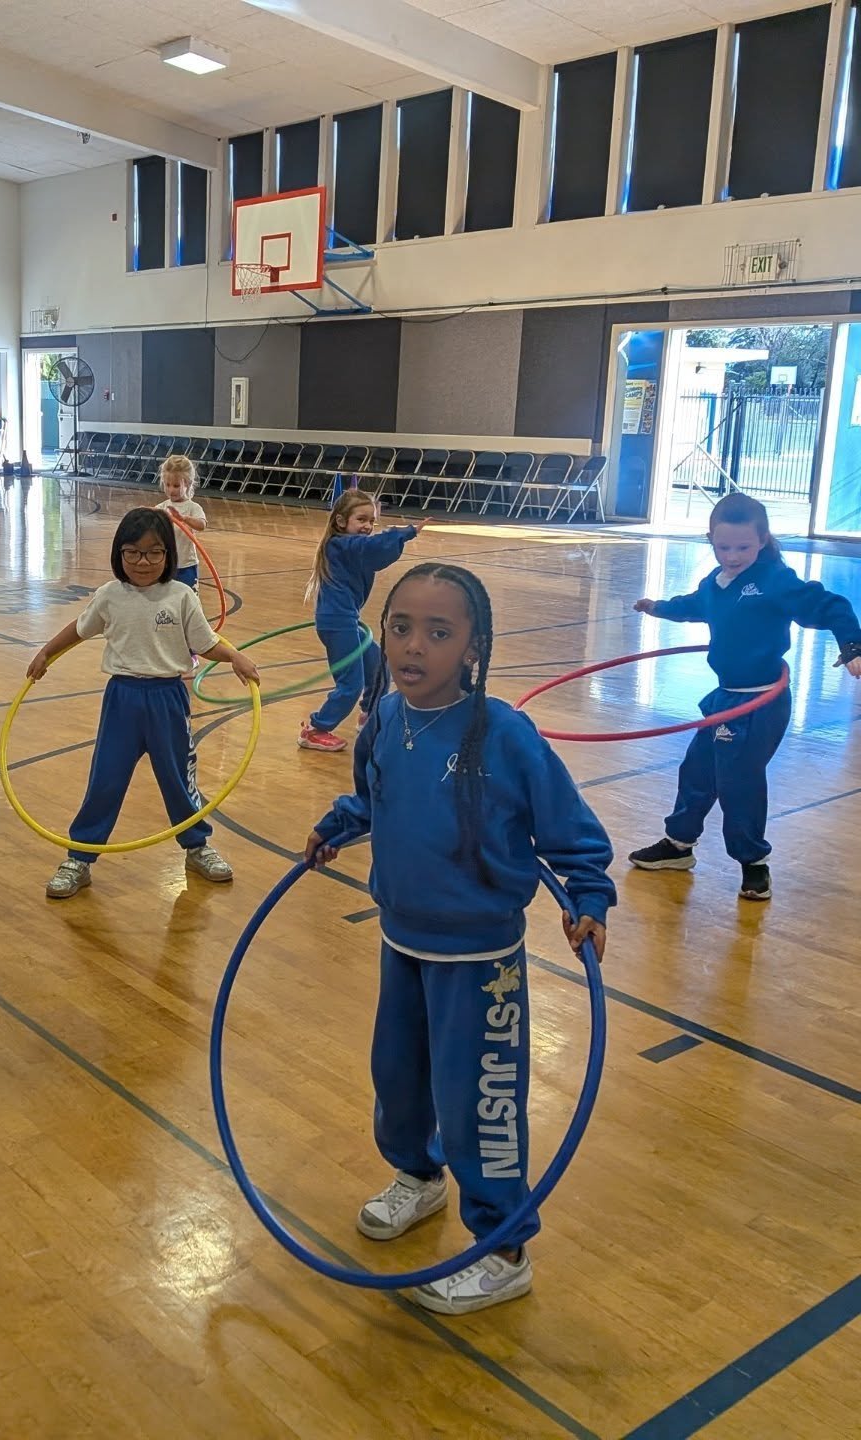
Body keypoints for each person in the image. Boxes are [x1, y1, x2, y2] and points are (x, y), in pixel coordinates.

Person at [305, 562, 614, 1315]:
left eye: (439, 633)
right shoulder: (382, 717)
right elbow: (374, 793)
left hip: (479, 961)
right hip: (401, 938)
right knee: (398, 1079)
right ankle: (418, 1175)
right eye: (401, 627)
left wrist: (589, 898)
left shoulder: (505, 734)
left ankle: (503, 1249)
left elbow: (572, 836)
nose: (414, 646)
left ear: (474, 648)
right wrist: (341, 825)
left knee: (482, 1104)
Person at [629, 492, 861, 901]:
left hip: (760, 704)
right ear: (711, 540)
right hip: (724, 698)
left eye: (744, 547)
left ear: (763, 540)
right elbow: (693, 606)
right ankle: (678, 845)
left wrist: (852, 646)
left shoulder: (775, 581)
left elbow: (831, 606)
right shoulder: (716, 583)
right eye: (723, 547)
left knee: (739, 782)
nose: (733, 556)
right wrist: (657, 607)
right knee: (698, 769)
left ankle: (754, 863)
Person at [27, 507, 261, 900]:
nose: (143, 561)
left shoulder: (181, 596)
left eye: (154, 553)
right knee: (105, 779)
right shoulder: (110, 596)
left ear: (169, 555)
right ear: (119, 554)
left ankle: (197, 846)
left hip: (168, 699)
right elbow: (79, 630)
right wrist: (46, 654)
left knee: (178, 779)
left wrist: (235, 656)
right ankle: (80, 857)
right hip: (122, 699)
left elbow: (205, 642)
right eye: (132, 552)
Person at [299, 489, 424, 753]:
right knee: (350, 683)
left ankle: (370, 717)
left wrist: (398, 537)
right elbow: (371, 547)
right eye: (362, 520)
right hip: (336, 622)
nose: (368, 526)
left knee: (379, 666)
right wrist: (405, 532)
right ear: (342, 522)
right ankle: (316, 729)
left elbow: (379, 556)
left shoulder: (355, 547)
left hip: (348, 619)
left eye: (372, 521)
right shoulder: (340, 545)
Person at [154, 454, 207, 591]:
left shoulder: (192, 507)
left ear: (188, 484)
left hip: (186, 565)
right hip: (165, 565)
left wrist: (183, 519)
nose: (171, 490)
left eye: (176, 485)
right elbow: (150, 525)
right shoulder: (161, 507)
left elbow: (202, 525)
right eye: (168, 485)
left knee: (189, 599)